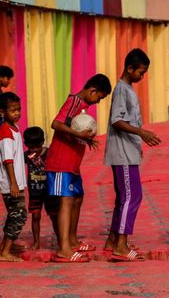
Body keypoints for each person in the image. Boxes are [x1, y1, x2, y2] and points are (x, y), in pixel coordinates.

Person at [45, 74, 112, 263]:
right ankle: (64, 249)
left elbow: (70, 129)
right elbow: (56, 124)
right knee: (65, 201)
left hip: (73, 164)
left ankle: (72, 241)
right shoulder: (74, 101)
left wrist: (85, 139)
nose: (98, 102)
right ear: (92, 91)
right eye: (99, 97)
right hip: (61, 163)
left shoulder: (82, 107)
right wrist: (77, 133)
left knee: (77, 198)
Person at [103, 48, 161, 262]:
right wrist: (142, 133)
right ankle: (121, 245)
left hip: (130, 152)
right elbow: (117, 121)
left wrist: (139, 142)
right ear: (129, 68)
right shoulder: (121, 91)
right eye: (141, 72)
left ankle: (112, 241)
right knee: (132, 196)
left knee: (123, 198)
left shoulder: (128, 89)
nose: (142, 77)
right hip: (123, 154)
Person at [0, 92, 27, 262]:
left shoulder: (14, 128)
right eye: (13, 110)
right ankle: (5, 252)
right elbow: (8, 160)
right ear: (2, 112)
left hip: (16, 181)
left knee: (14, 214)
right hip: (10, 183)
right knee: (19, 215)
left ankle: (6, 246)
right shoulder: (6, 132)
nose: (17, 113)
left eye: (19, 109)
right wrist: (13, 183)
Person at [23, 126, 59, 250]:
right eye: (31, 147)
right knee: (35, 217)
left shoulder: (50, 153)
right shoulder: (27, 156)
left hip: (50, 191)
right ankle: (36, 242)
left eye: (37, 147)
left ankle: (60, 240)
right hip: (35, 192)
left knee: (55, 216)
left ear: (42, 142)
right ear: (26, 144)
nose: (34, 150)